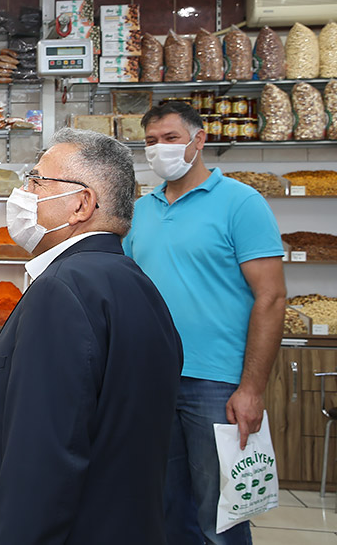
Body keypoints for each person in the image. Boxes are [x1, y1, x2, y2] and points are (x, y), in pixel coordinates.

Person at [0, 128, 183, 544]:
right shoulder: (133, 283)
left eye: (37, 180)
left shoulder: (62, 290)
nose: (24, 193)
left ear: (81, 204)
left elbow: (42, 462)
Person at [123, 102, 286, 545]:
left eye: (171, 139)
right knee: (165, 507)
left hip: (217, 385)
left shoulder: (241, 203)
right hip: (154, 379)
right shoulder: (141, 210)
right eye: (151, 142)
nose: (160, 150)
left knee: (221, 515)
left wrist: (251, 388)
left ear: (199, 140)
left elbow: (271, 298)